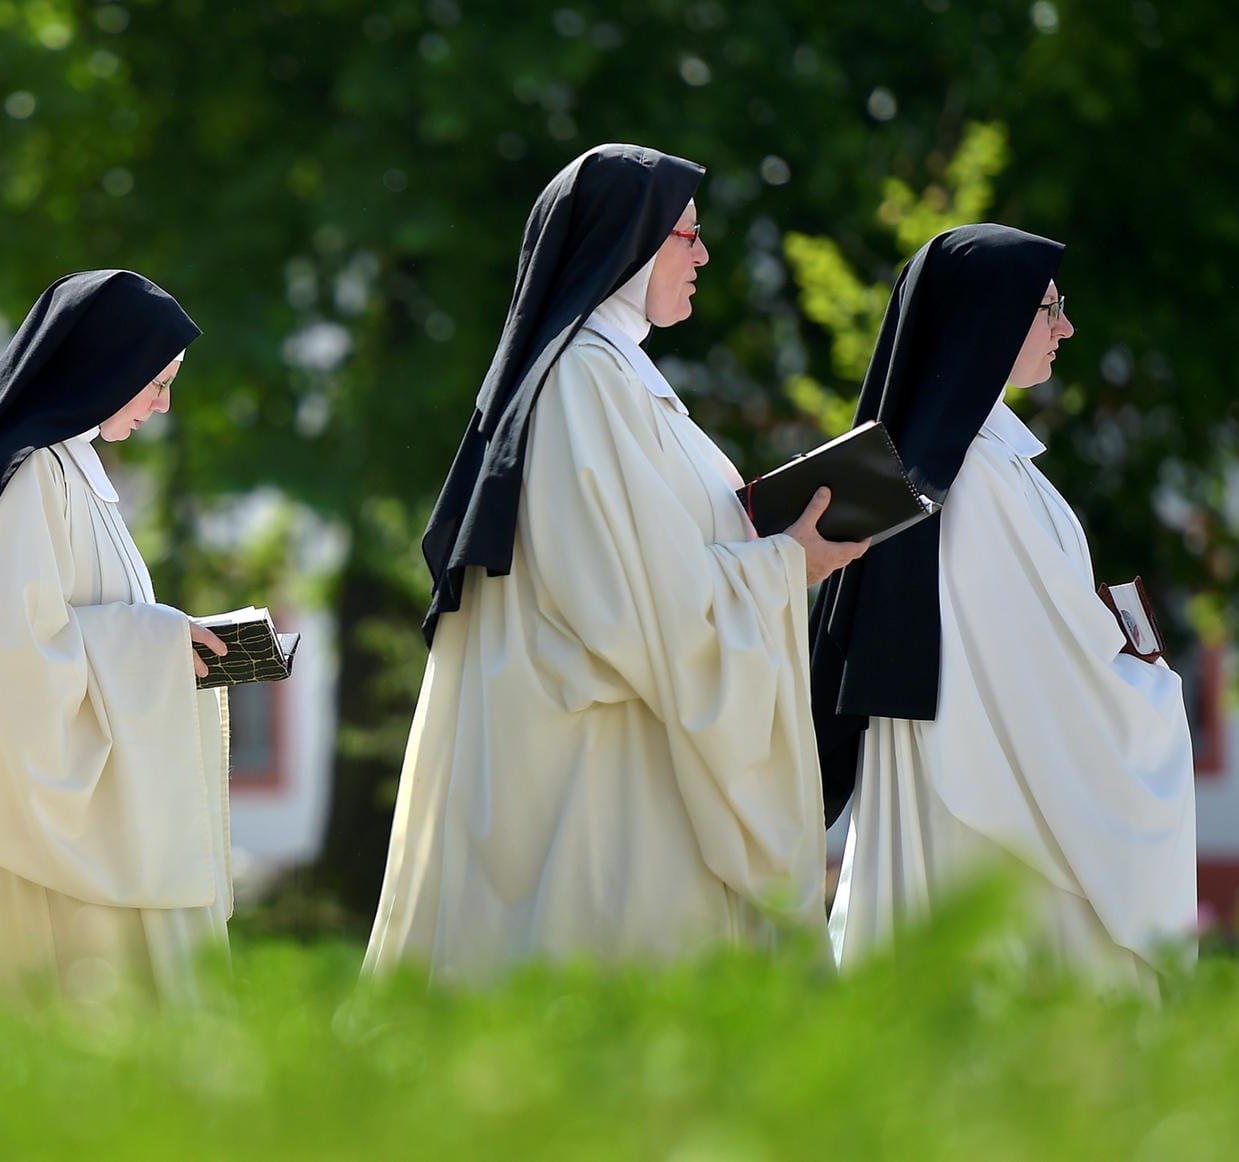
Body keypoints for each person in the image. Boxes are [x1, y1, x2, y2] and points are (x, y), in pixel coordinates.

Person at [363, 144, 868, 985]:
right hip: (594, 780)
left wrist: (777, 554)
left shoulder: (620, 378)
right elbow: (640, 607)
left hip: (624, 757)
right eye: (685, 235)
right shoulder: (583, 383)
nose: (702, 255)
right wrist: (785, 565)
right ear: (626, 244)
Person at [810, 224, 1197, 986]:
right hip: (990, 800)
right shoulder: (975, 479)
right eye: (1048, 308)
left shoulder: (969, 463)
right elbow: (1043, 672)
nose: (1066, 327)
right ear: (989, 317)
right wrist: (1149, 695)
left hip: (977, 773)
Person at [0, 270, 230, 1035]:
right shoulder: (28, 470)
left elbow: (79, 619)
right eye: (156, 384)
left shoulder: (71, 463)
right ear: (107, 367)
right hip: (23, 815)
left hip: (78, 795)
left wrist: (165, 636)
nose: (162, 406)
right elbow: (3, 655)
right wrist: (158, 644)